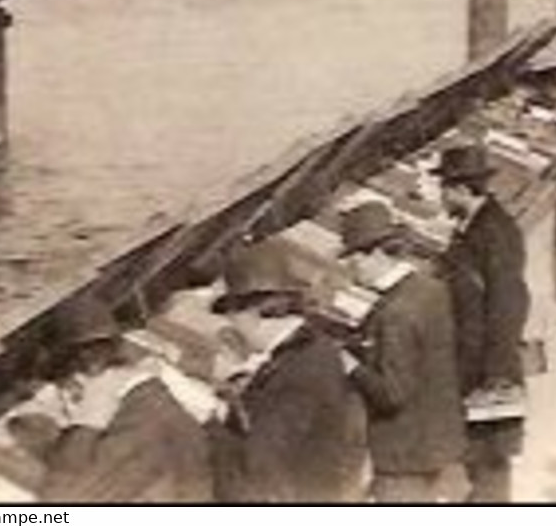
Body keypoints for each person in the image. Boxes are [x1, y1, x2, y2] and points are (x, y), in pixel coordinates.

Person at [208, 238, 369, 502]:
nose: (232, 326)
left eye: (231, 314)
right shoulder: (314, 345)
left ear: (253, 311)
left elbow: (257, 468)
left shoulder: (297, 376)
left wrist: (209, 419)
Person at [8, 297, 213, 503]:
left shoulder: (140, 417)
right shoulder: (163, 407)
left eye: (66, 388)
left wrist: (83, 424)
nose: (70, 402)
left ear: (86, 369)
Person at [338, 201, 467, 503]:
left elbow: (393, 393)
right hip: (439, 440)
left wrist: (350, 366)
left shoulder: (395, 313)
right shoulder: (430, 289)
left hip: (404, 457)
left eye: (352, 258)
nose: (350, 267)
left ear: (373, 254)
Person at [434, 142, 531, 504]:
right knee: (478, 453)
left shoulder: (496, 233)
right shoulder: (473, 226)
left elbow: (509, 304)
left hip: (490, 366)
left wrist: (494, 377)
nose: (441, 197)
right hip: (474, 360)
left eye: (444, 189)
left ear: (459, 190)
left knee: (491, 457)